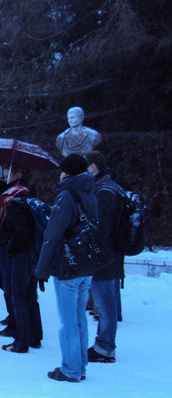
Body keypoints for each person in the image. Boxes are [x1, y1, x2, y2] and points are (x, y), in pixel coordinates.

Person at [35, 154, 99, 382]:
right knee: (79, 317)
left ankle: (71, 368)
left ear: (67, 172)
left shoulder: (67, 196)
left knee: (68, 321)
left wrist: (41, 269)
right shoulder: (91, 192)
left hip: (68, 265)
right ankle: (79, 365)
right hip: (85, 265)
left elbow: (51, 235)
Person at [0, 167, 43, 353]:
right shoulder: (23, 195)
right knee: (29, 295)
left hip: (21, 255)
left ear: (19, 175)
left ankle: (21, 341)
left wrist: (11, 247)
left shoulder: (15, 199)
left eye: (7, 174)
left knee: (19, 296)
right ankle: (34, 336)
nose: (3, 177)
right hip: (27, 254)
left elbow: (21, 230)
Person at [85, 151, 124, 363]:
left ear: (93, 167)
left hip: (105, 256)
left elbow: (101, 228)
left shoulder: (104, 192)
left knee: (105, 303)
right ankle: (104, 344)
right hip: (111, 254)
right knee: (107, 302)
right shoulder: (109, 187)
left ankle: (105, 347)